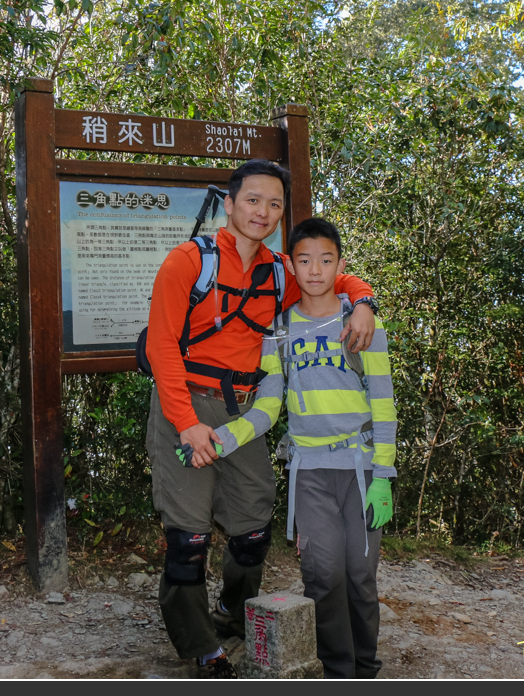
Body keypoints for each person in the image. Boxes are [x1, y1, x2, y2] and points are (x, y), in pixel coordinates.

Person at [143, 159, 379, 678]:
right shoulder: (187, 261)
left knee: (252, 528)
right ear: (229, 204)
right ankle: (200, 644)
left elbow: (331, 278)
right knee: (188, 539)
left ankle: (232, 612)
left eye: (274, 204)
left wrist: (365, 301)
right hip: (185, 403)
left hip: (246, 411)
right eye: (252, 200)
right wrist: (185, 422)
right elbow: (161, 347)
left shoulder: (279, 273)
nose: (263, 212)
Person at [277, 217, 397, 679]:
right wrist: (221, 437)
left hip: (361, 467)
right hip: (309, 471)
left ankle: (365, 668)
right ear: (291, 265)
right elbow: (268, 403)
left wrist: (384, 476)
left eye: (326, 260)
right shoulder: (280, 329)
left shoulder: (363, 325)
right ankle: (337, 671)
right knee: (323, 577)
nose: (315, 270)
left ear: (341, 265)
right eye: (304, 260)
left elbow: (383, 404)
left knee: (360, 577)